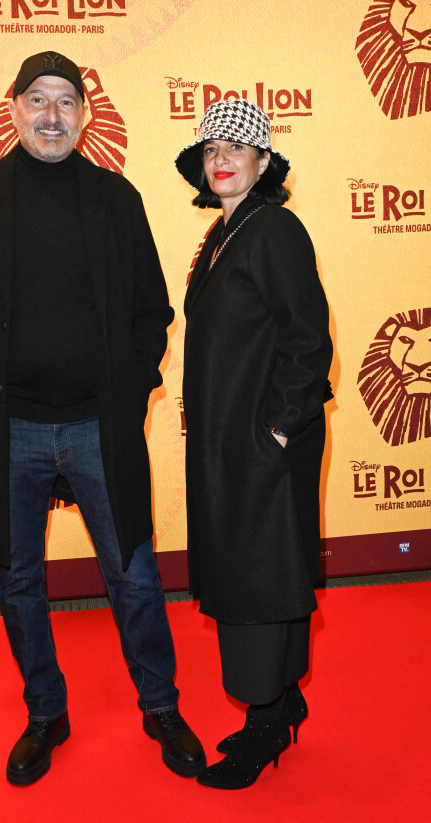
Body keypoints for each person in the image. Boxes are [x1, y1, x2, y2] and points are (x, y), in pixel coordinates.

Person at [0, 50, 205, 786]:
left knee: (135, 574)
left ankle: (161, 705)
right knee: (18, 581)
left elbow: (152, 309)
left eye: (66, 102)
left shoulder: (117, 200)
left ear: (84, 115)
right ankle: (46, 711)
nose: (52, 115)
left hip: (96, 425)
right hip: (6, 429)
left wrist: (134, 384)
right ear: (13, 108)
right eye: (38, 100)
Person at [175, 99, 333, 790]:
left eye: (238, 148)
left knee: (260, 578)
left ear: (265, 163)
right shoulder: (224, 232)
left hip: (261, 446)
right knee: (251, 574)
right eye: (212, 148)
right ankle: (282, 700)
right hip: (229, 444)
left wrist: (276, 429)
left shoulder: (275, 230)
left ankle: (266, 721)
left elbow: (309, 340)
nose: (222, 159)